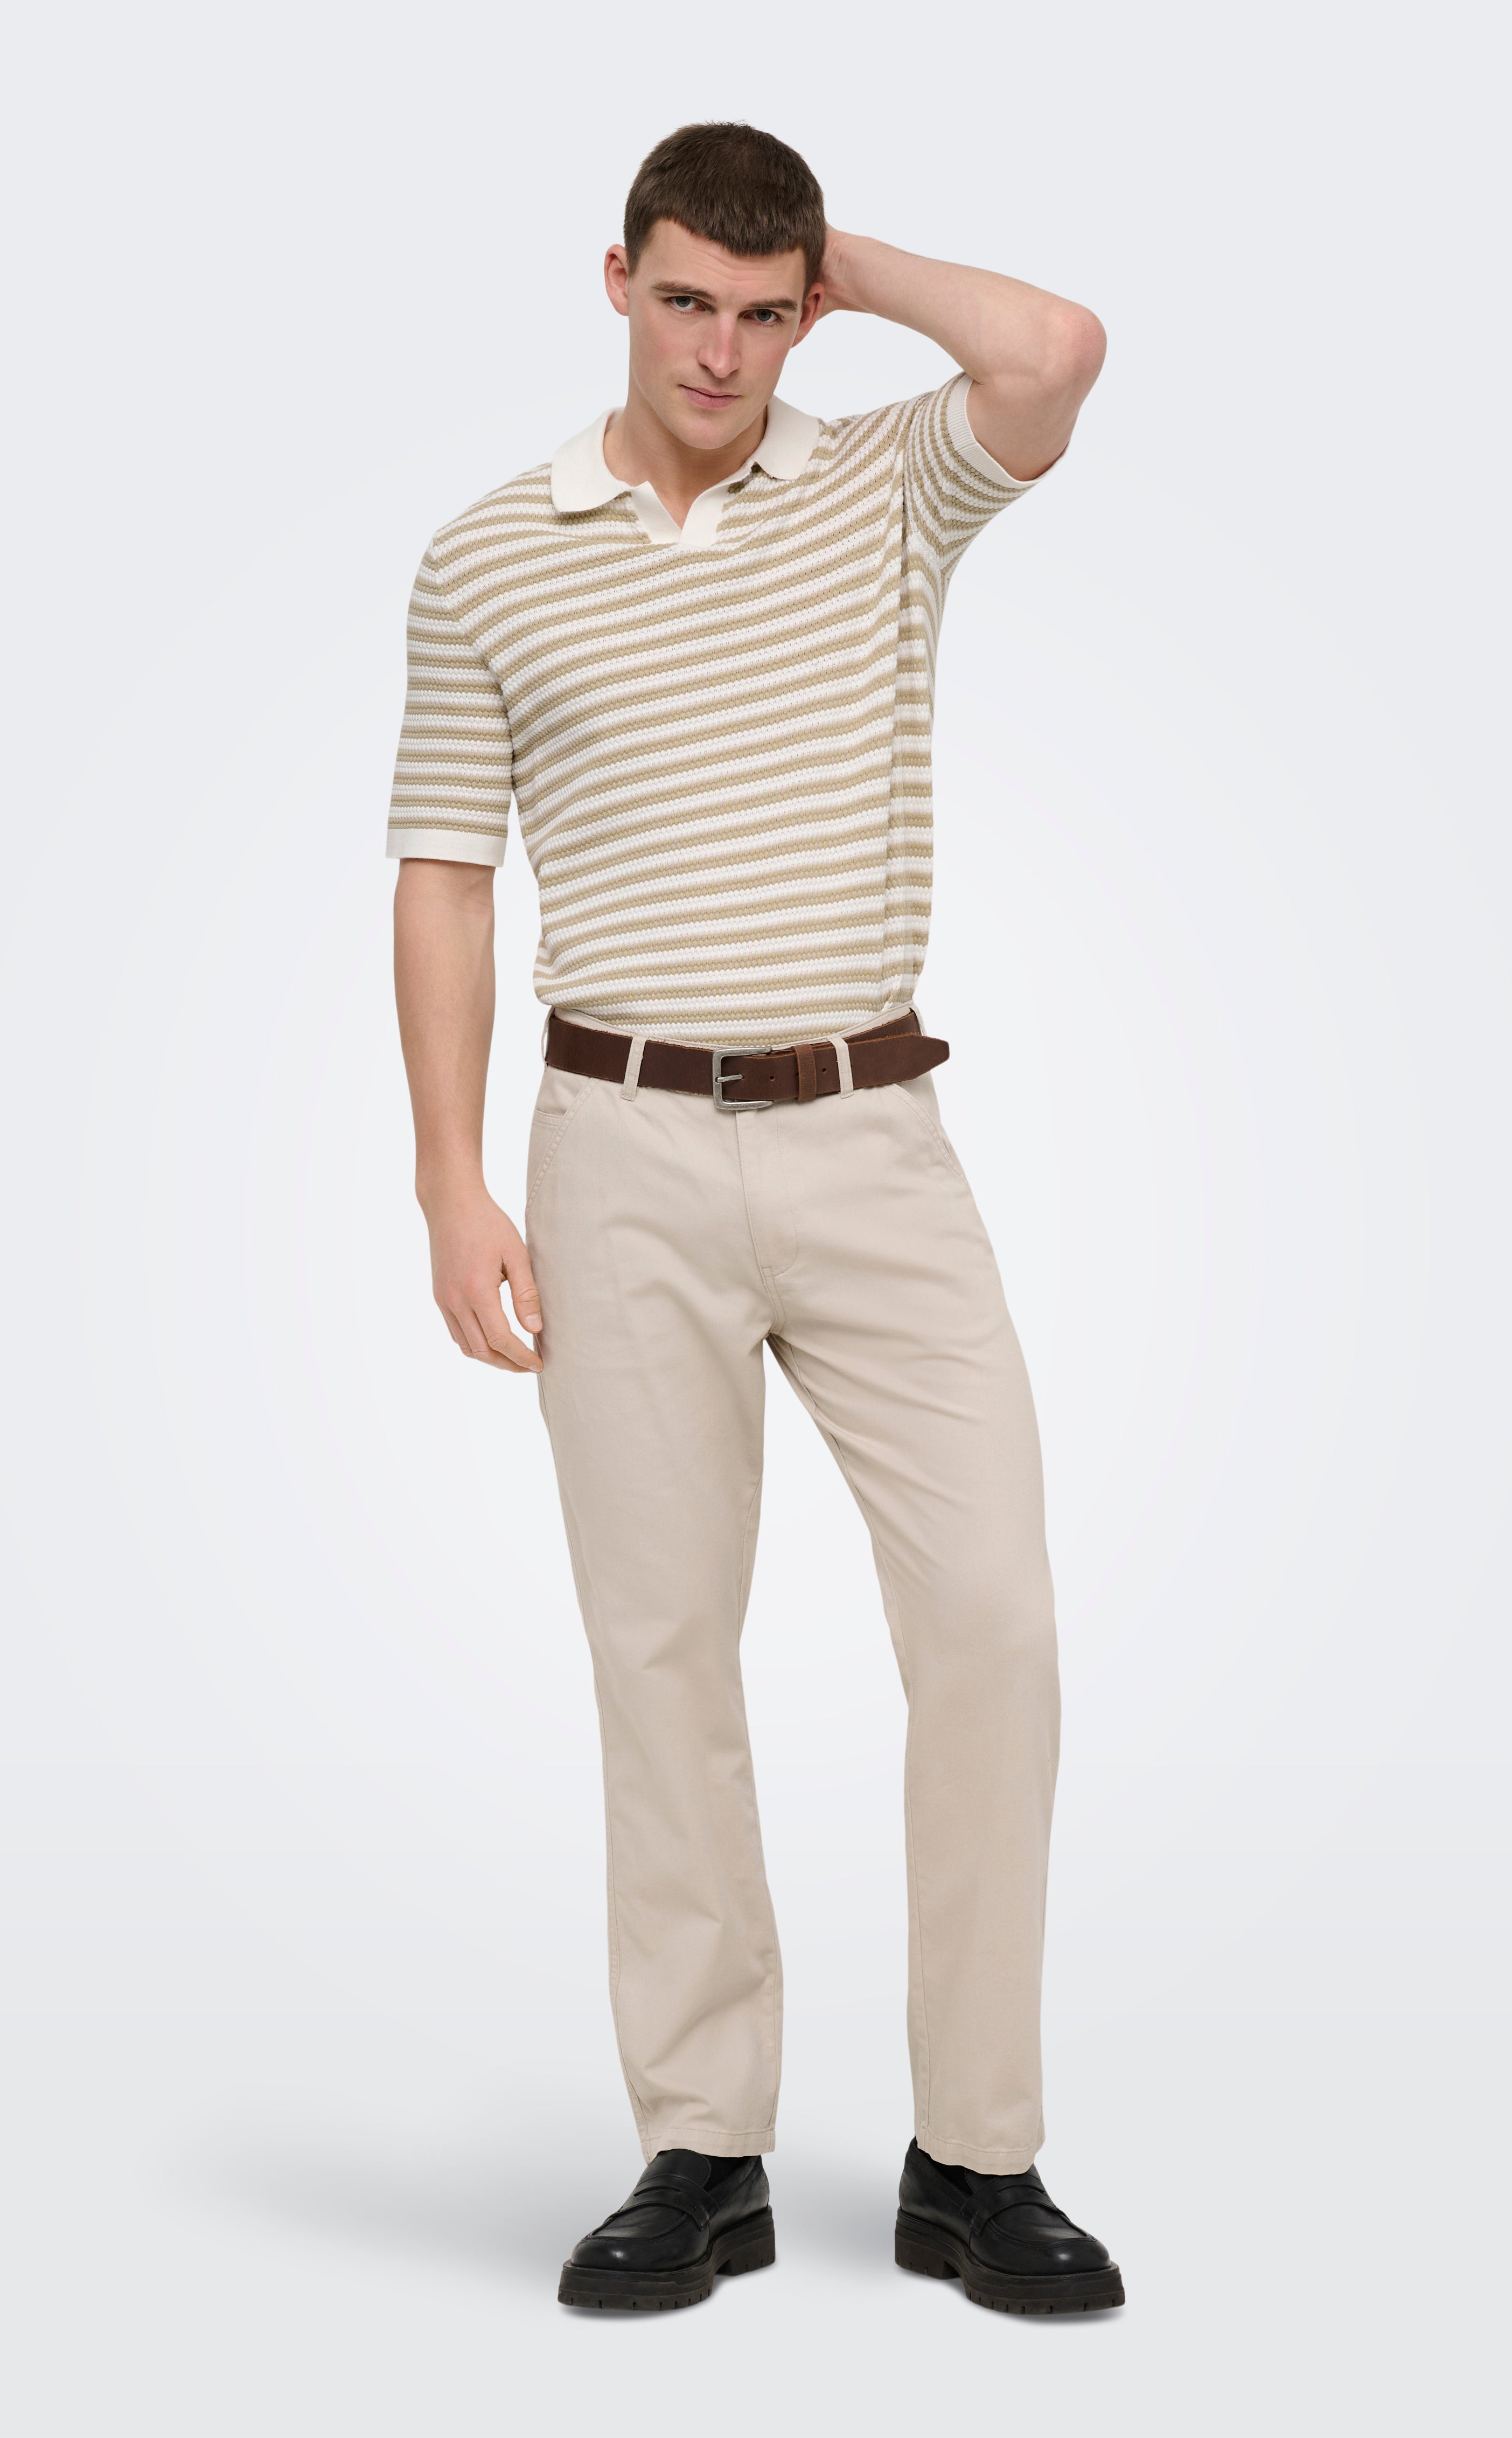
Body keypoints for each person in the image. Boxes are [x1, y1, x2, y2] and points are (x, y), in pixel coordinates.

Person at [389, 121, 1120, 2317]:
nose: (720, 351)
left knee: (993, 1624)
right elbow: (445, 873)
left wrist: (845, 265)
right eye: (686, 298)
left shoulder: (886, 489)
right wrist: (447, 1172)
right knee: (661, 1649)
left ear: (806, 312)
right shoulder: (486, 556)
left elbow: (1055, 348)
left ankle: (975, 2155)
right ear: (615, 279)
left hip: (870, 1137)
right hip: (612, 1147)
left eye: (763, 311)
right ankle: (701, 2146)